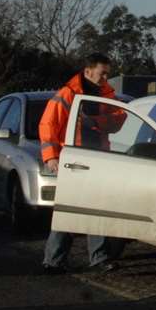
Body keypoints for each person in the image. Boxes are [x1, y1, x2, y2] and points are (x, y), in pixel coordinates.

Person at [39, 53, 128, 274]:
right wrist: (51, 157)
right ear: (88, 71)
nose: (106, 77)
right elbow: (48, 125)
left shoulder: (106, 93)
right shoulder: (68, 94)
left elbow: (119, 119)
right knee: (69, 211)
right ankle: (54, 260)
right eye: (102, 73)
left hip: (96, 159)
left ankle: (94, 258)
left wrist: (94, 122)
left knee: (94, 210)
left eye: (107, 73)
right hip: (75, 159)